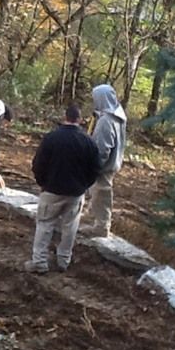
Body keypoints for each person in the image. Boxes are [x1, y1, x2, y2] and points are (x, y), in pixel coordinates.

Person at [24, 104, 100, 274]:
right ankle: (63, 261)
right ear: (80, 120)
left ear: (65, 117)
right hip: (75, 193)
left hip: (51, 190)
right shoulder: (88, 142)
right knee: (70, 227)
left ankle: (39, 262)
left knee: (44, 225)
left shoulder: (51, 138)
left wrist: (43, 183)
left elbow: (38, 164)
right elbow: (95, 169)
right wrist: (83, 186)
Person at [80, 84, 127, 238]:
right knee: (96, 192)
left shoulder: (107, 121)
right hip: (111, 163)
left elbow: (102, 147)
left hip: (103, 166)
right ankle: (91, 216)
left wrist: (93, 165)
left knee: (102, 193)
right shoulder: (117, 117)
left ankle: (102, 226)